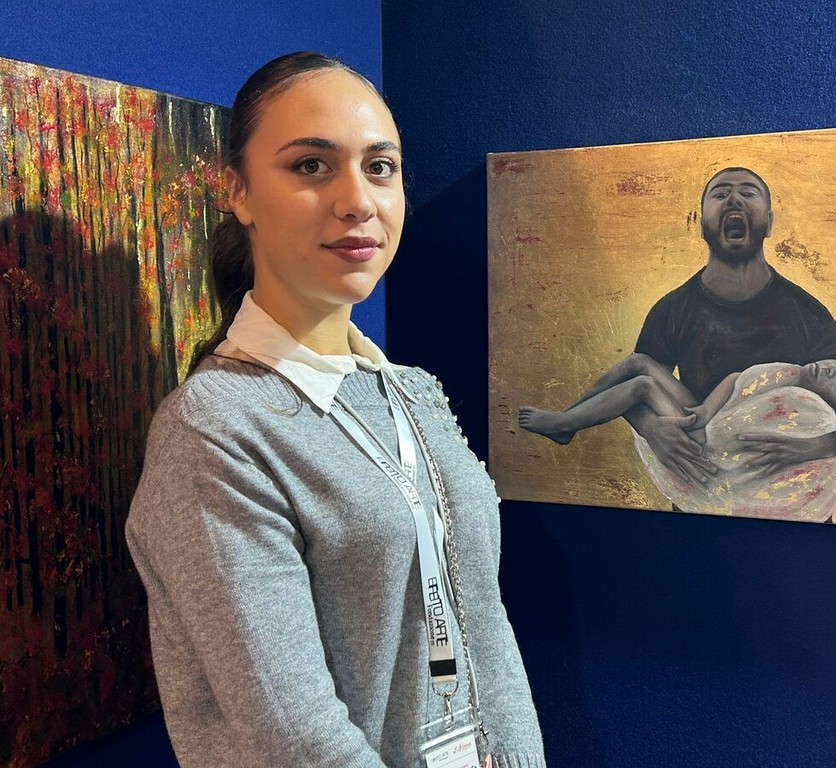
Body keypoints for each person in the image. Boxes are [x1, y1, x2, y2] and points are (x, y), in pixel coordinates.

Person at [126, 52, 546, 768]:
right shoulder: (216, 431)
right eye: (311, 166)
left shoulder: (412, 392)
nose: (357, 200)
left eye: (380, 167)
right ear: (239, 191)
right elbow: (292, 735)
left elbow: (485, 628)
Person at [519, 354, 836, 529]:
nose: (832, 369)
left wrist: (700, 422)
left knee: (642, 386)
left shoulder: (812, 413)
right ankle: (569, 422)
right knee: (638, 362)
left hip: (707, 456)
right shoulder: (797, 376)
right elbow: (739, 379)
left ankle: (563, 420)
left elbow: (726, 436)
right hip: (711, 420)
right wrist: (704, 409)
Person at [630, 167, 836, 484]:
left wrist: (818, 446)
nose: (733, 199)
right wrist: (650, 428)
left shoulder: (811, 316)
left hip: (792, 496)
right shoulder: (672, 310)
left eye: (747, 192)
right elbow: (634, 388)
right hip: (703, 486)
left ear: (769, 223)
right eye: (720, 194)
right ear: (700, 224)